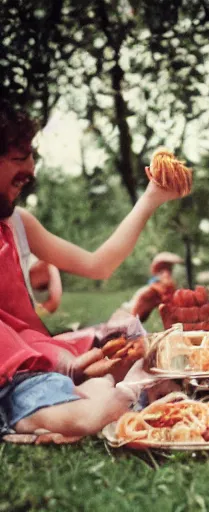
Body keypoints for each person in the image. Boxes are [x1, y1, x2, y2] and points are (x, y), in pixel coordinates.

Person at [1, 105, 181, 439]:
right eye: (20, 156)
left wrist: (152, 198)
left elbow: (99, 265)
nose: (31, 169)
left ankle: (113, 390)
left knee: (123, 335)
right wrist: (61, 362)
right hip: (13, 370)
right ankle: (120, 394)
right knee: (54, 398)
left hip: (36, 357)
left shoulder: (17, 223)